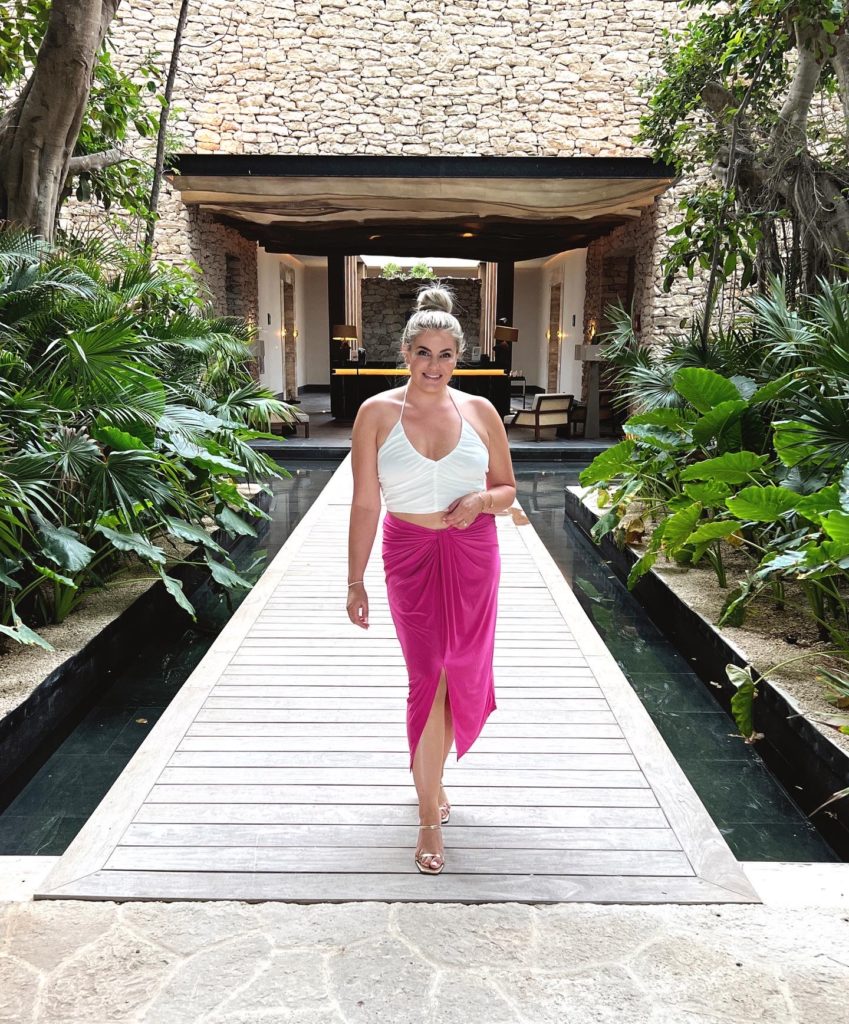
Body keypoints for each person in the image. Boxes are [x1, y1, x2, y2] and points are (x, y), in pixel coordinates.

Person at [346, 284, 517, 875]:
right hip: (409, 552)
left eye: (445, 354)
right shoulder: (376, 414)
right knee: (429, 674)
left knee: (458, 673)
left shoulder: (480, 412)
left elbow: (508, 491)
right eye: (423, 352)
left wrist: (481, 500)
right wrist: (354, 580)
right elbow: (365, 503)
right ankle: (427, 815)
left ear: (459, 357)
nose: (434, 365)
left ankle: (432, 778)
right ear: (404, 352)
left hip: (473, 552)